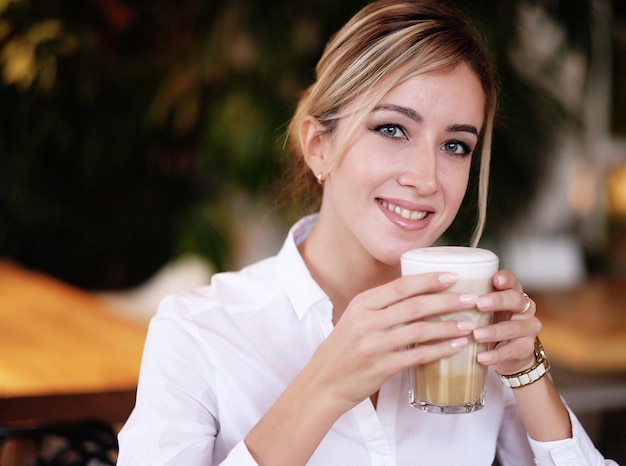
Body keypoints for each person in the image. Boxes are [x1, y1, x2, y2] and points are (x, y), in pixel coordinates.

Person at [117, 1, 616, 464]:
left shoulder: (470, 328)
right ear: (318, 147)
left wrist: (527, 373)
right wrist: (325, 385)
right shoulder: (199, 332)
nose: (426, 178)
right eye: (393, 129)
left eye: (456, 146)